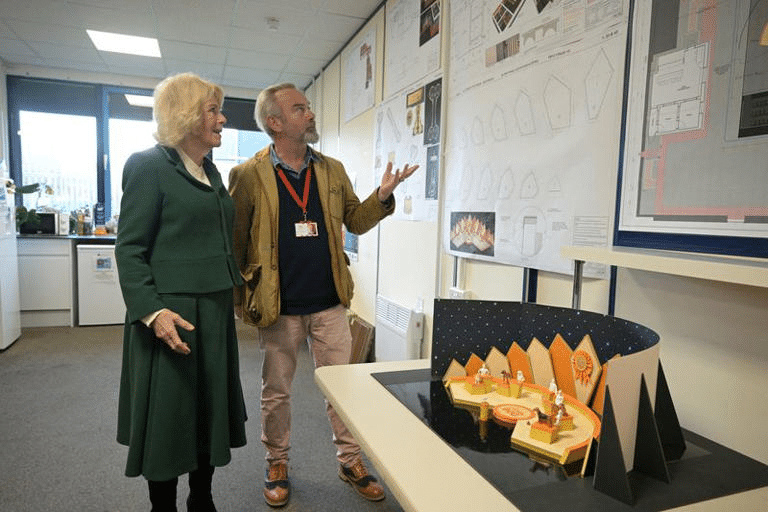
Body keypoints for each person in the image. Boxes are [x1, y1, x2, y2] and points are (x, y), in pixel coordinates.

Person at [228, 82, 418, 507]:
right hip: (280, 305)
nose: (310, 114)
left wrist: (383, 197)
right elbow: (235, 242)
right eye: (300, 109)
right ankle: (276, 461)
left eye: (308, 107)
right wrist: (241, 301)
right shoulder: (248, 174)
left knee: (343, 387)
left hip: (330, 301)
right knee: (277, 390)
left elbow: (356, 219)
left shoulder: (331, 170)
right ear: (274, 123)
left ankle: (350, 460)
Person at [115, 72, 247, 512]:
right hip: (169, 315)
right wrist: (153, 313)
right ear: (187, 115)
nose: (223, 118)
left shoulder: (210, 169)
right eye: (213, 110)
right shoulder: (148, 165)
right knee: (169, 418)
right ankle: (163, 507)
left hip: (212, 308)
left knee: (208, 411)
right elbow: (130, 249)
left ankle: (202, 499)